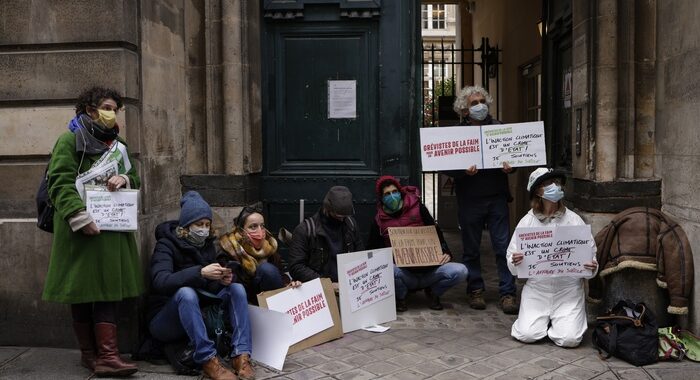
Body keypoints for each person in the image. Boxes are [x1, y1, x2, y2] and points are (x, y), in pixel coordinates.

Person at [41, 87, 142, 377]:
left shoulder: (119, 145)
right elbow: (58, 183)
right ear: (90, 110)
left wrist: (124, 177)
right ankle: (91, 355)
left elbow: (134, 175)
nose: (112, 113)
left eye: (116, 109)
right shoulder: (69, 140)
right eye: (108, 107)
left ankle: (108, 356)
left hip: (111, 228)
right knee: (84, 292)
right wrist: (78, 216)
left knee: (107, 291)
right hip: (81, 230)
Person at [147, 191, 254, 380]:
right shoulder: (165, 245)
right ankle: (208, 360)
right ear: (186, 226)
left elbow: (206, 291)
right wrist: (200, 272)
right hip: (165, 318)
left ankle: (241, 354)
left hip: (198, 311)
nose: (204, 229)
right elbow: (160, 281)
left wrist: (220, 280)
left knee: (236, 288)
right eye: (199, 224)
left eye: (207, 224)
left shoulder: (206, 245)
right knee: (186, 294)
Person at [507, 168, 598, 347]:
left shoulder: (574, 220)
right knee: (527, 334)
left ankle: (562, 322)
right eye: (547, 184)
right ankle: (542, 321)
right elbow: (511, 258)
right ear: (538, 192)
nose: (554, 187)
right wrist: (515, 261)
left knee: (570, 339)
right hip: (537, 289)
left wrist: (591, 267)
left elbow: (590, 255)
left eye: (556, 183)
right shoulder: (527, 222)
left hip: (568, 290)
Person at [448, 85, 518, 314]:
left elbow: (516, 157)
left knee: (503, 247)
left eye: (482, 101)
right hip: (470, 200)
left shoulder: (500, 129)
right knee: (471, 249)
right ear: (464, 110)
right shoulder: (456, 134)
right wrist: (461, 171)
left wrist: (510, 168)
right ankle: (475, 290)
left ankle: (507, 293)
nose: (479, 106)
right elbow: (443, 167)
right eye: (473, 103)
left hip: (496, 198)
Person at [367, 176, 468, 312]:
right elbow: (372, 250)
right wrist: (388, 254)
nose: (392, 196)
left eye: (394, 191)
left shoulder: (418, 207)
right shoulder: (379, 220)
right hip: (404, 273)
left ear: (400, 191)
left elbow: (436, 232)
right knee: (387, 269)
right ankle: (401, 297)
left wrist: (446, 252)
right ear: (381, 198)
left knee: (461, 271)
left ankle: (434, 292)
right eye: (387, 194)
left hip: (430, 271)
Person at [219, 204, 301, 304]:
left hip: (271, 303)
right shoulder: (229, 252)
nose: (260, 231)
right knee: (266, 269)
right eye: (253, 227)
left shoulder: (269, 249)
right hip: (248, 304)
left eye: (262, 226)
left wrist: (288, 285)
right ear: (241, 231)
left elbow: (280, 275)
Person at [288, 186, 364, 283]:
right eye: (338, 216)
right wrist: (327, 284)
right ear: (327, 209)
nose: (342, 220)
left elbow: (361, 257)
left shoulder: (351, 225)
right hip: (320, 289)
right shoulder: (305, 230)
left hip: (348, 285)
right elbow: (296, 267)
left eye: (345, 216)